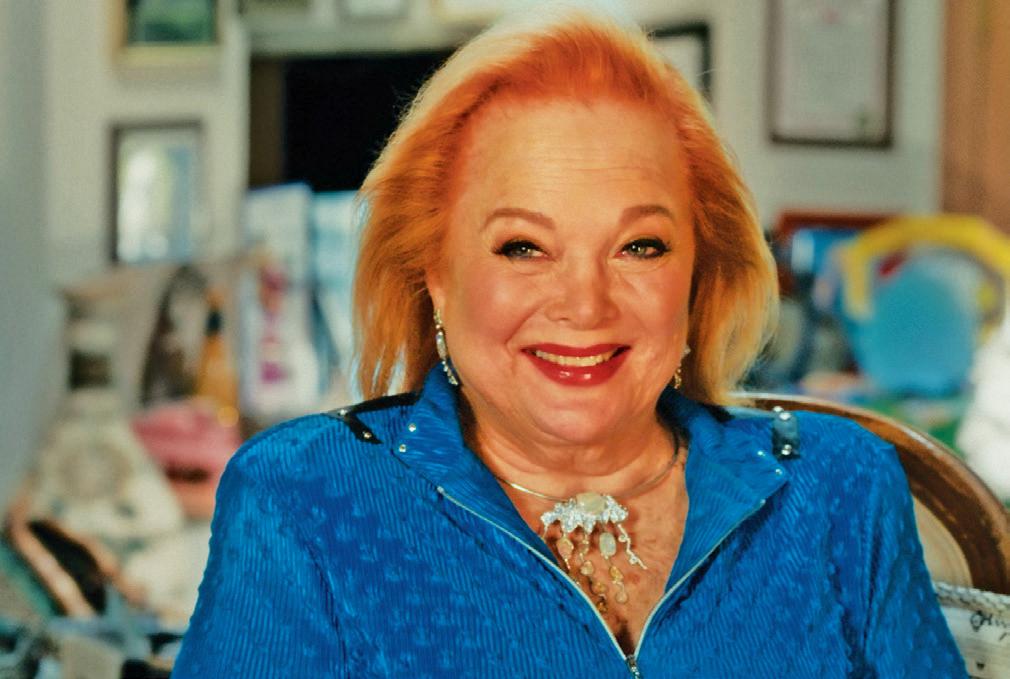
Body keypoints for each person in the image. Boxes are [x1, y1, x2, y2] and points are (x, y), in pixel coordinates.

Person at [173, 5, 965, 677]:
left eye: (640, 246)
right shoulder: (304, 499)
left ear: (699, 272)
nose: (585, 304)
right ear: (437, 275)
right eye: (523, 247)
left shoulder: (842, 487)